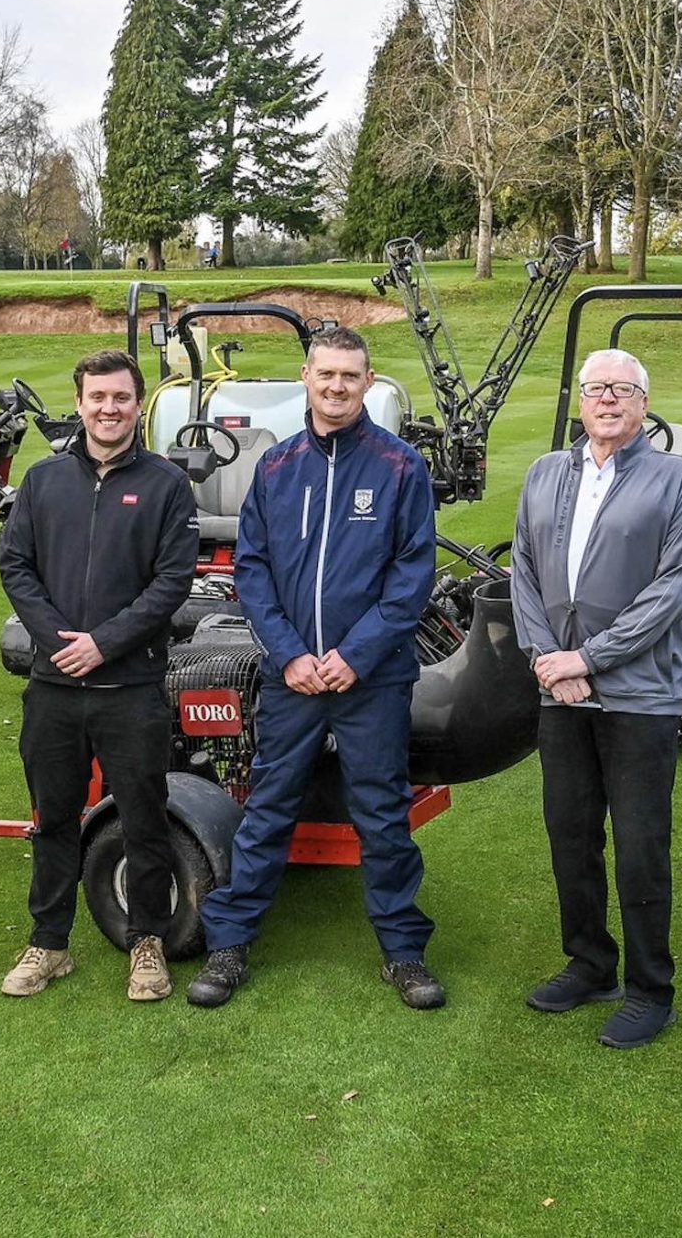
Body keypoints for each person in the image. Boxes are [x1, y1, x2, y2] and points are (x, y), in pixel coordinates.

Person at [187, 326, 446, 1011]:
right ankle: (229, 943)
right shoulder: (277, 467)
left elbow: (412, 576)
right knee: (269, 806)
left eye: (349, 376)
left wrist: (355, 656)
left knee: (383, 816)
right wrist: (290, 654)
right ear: (306, 377)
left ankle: (404, 951)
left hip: (373, 678)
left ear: (368, 382)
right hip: (293, 676)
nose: (336, 386)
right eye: (326, 374)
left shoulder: (399, 466)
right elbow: (253, 571)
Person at [508, 348, 682, 1049]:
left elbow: (674, 589)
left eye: (623, 389)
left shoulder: (675, 481)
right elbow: (523, 573)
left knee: (640, 843)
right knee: (570, 834)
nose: (608, 399)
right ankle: (591, 964)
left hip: (640, 695)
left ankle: (651, 989)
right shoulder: (544, 473)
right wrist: (548, 661)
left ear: (643, 405)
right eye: (597, 388)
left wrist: (589, 658)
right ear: (581, 401)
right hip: (560, 692)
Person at [0, 350, 201, 1001]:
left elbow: (172, 581)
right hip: (55, 688)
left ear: (138, 404)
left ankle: (147, 942)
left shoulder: (166, 484)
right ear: (79, 403)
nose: (109, 409)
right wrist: (59, 641)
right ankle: (49, 944)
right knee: (54, 818)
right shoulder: (43, 481)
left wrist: (103, 644)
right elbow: (15, 564)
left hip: (130, 690)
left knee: (143, 819)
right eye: (97, 397)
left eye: (121, 398)